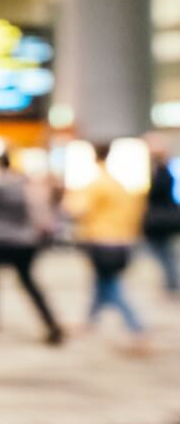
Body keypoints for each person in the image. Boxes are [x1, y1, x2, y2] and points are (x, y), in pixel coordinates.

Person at [67, 143, 149, 353]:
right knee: (101, 283)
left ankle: (137, 328)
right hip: (123, 239)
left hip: (103, 240)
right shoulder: (120, 184)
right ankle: (89, 321)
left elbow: (77, 209)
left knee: (111, 287)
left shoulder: (97, 184)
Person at [0, 152, 63, 345]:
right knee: (29, 283)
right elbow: (41, 213)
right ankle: (51, 324)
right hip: (25, 241)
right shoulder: (26, 185)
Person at [143, 142, 179, 297]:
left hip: (160, 220)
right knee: (164, 252)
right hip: (161, 219)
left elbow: (156, 195)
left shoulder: (162, 174)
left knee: (163, 252)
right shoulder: (160, 172)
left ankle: (172, 282)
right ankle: (171, 282)